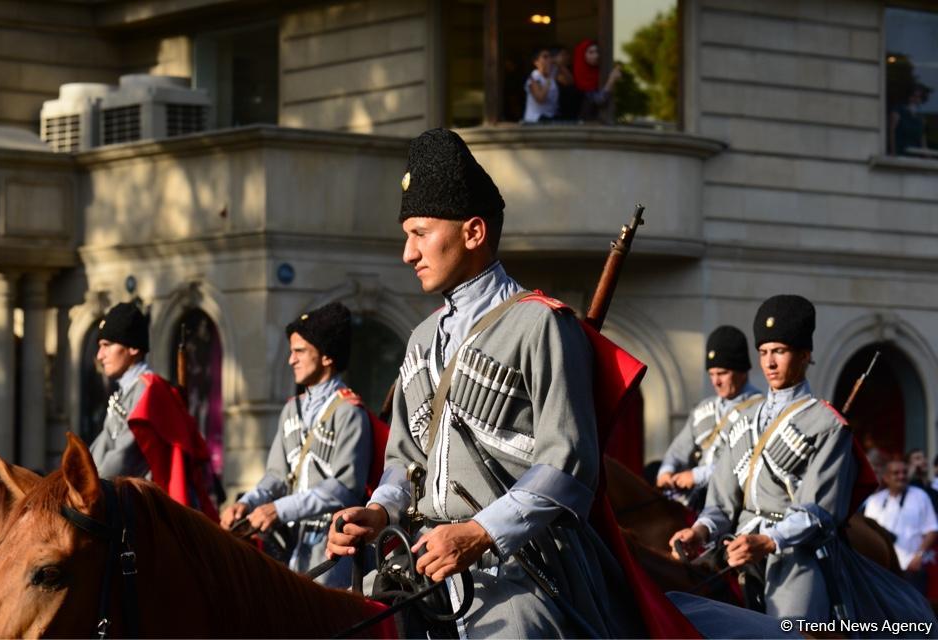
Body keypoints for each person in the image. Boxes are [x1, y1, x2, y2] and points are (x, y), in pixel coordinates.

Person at [326, 128, 661, 637]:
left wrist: (480, 532)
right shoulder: (420, 339)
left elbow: (568, 465)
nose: (407, 253)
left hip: (525, 567)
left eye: (419, 233)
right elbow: (402, 461)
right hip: (423, 560)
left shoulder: (540, 324)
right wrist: (378, 509)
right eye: (406, 236)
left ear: (474, 232)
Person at [670, 295, 935, 626]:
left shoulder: (827, 424)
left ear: (805, 355)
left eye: (779, 351)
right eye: (764, 352)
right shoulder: (744, 419)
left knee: (793, 632)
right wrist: (700, 531)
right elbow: (720, 504)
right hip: (737, 554)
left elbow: (819, 511)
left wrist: (768, 541)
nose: (769, 363)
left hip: (795, 558)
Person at [219, 302, 372, 587]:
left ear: (327, 356)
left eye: (299, 351)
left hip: (333, 551)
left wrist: (280, 509)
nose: (291, 360)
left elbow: (344, 489)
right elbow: (277, 476)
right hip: (290, 548)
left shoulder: (349, 411)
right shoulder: (292, 409)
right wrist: (247, 503)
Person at [89, 302, 217, 519]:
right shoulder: (126, 392)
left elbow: (123, 459)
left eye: (106, 345)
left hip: (149, 513)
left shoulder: (150, 391)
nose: (100, 355)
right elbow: (101, 446)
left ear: (133, 348)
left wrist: (87, 484)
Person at [656, 325, 762, 511]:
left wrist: (698, 476)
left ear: (742, 371)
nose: (716, 381)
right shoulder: (705, 408)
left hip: (733, 507)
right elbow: (678, 450)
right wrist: (667, 471)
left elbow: (746, 466)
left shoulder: (761, 410)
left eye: (722, 373)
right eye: (711, 374)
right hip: (694, 504)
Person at [864, 459, 938, 594]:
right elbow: (869, 535)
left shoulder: (920, 496)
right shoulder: (874, 501)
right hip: (884, 569)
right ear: (886, 477)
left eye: (904, 472)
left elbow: (932, 529)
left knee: (916, 612)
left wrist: (919, 556)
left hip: (911, 566)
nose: (901, 476)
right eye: (896, 473)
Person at [572, 39, 622, 123]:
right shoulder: (579, 75)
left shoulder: (599, 72)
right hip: (583, 126)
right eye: (591, 52)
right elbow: (599, 100)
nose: (596, 55)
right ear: (582, 55)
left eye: (597, 52)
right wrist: (611, 80)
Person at [889, 84, 929, 156]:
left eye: (920, 97)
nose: (916, 99)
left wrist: (928, 157)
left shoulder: (921, 117)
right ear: (909, 96)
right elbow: (892, 131)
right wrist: (893, 153)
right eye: (914, 96)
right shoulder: (898, 110)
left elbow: (923, 139)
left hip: (916, 157)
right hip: (901, 155)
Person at [522, 47, 558, 123]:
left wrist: (559, 65)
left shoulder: (553, 74)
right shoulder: (534, 77)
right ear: (536, 62)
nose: (549, 60)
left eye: (550, 57)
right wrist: (548, 78)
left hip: (550, 117)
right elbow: (540, 98)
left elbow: (569, 81)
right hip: (535, 120)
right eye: (545, 57)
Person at [552, 45, 580, 121]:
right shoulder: (551, 71)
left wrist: (561, 66)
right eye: (564, 54)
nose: (567, 57)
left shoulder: (567, 69)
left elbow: (571, 82)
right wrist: (559, 65)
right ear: (554, 57)